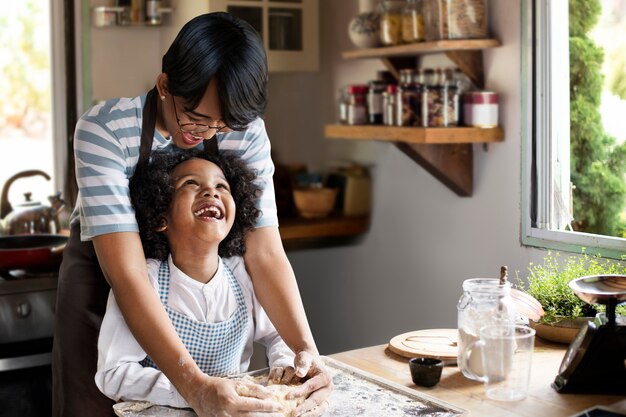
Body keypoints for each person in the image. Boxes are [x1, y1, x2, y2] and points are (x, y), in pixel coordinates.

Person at [52, 11, 332, 417]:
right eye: (197, 119)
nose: (206, 136)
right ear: (164, 84)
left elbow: (265, 253)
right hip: (106, 287)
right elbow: (128, 275)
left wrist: (307, 351)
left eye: (221, 126)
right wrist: (195, 387)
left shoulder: (245, 130)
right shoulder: (106, 130)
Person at [97, 150, 321, 414]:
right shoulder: (145, 281)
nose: (211, 192)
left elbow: (278, 334)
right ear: (160, 218)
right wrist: (190, 392)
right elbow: (113, 374)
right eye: (191, 183)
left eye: (221, 186)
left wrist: (285, 368)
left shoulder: (243, 275)